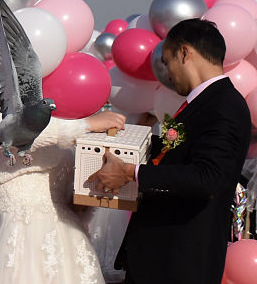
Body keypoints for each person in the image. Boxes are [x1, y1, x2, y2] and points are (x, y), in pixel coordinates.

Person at [85, 18, 251, 284]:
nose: (167, 73)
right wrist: (125, 143)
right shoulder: (201, 103)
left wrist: (131, 172)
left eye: (167, 61)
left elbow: (207, 178)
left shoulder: (223, 106)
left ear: (185, 53)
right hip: (160, 255)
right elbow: (173, 154)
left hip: (180, 259)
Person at [0, 109, 126, 284]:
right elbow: (9, 134)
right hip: (23, 230)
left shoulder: (57, 106)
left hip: (65, 231)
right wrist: (86, 125)